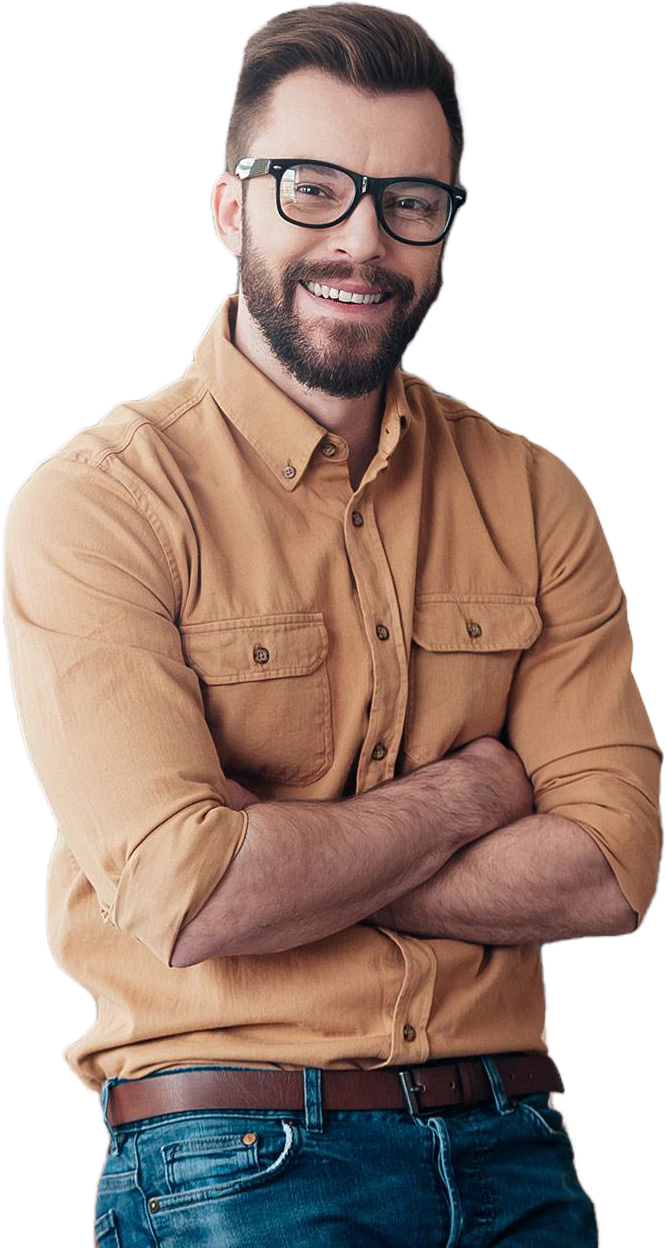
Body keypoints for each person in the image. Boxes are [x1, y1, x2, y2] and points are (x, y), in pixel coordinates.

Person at [1, 5, 662, 1245]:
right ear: (232, 209)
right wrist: (472, 794)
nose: (363, 240)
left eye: (410, 201)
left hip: (513, 1130)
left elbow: (610, 865)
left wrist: (289, 864)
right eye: (313, 189)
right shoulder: (99, 506)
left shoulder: (533, 497)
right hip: (237, 1147)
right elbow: (194, 899)